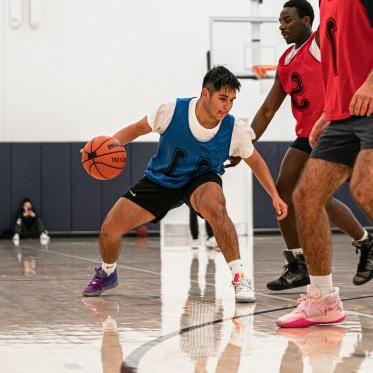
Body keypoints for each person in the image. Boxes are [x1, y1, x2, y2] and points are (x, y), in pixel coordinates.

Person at [82, 65, 288, 303]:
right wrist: (105, 147)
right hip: (160, 180)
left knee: (217, 207)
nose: (227, 106)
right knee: (109, 230)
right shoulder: (171, 111)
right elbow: (137, 129)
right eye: (223, 98)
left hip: (200, 181)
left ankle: (240, 277)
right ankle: (107, 273)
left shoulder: (234, 129)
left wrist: (275, 195)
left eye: (232, 100)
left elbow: (256, 161)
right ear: (205, 94)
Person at [247, 0, 372, 291]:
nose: (281, 26)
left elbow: (342, 33)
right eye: (279, 20)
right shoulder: (285, 61)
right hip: (311, 132)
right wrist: (245, 145)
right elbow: (267, 110)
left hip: (342, 124)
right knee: (285, 191)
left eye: (287, 20)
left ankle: (364, 241)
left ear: (306, 21)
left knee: (326, 198)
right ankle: (298, 263)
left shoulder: (320, 41)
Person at [277, 0, 373, 327]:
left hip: (371, 103)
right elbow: (338, 63)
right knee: (306, 197)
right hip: (340, 114)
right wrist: (324, 113)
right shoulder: (325, 2)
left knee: (364, 187)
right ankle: (323, 300)